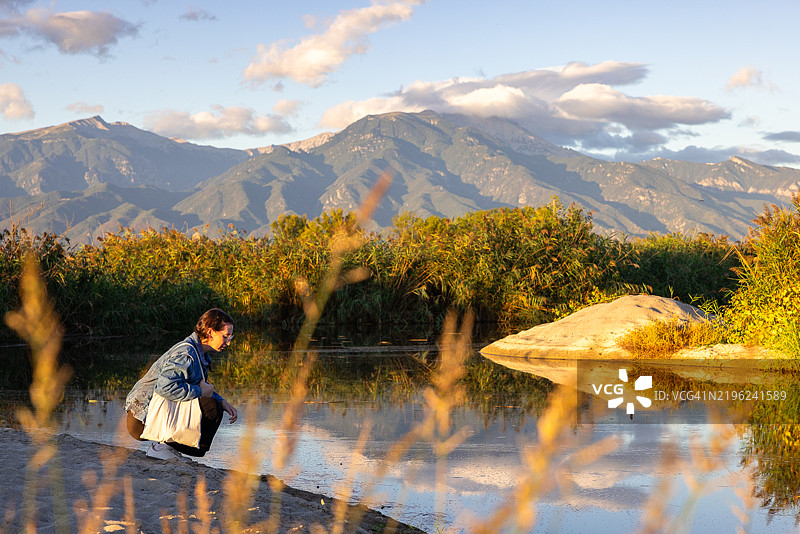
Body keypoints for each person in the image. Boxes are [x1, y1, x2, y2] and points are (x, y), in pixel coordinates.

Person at [125, 308, 239, 459]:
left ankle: (166, 445)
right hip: (140, 420)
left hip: (148, 417)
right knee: (210, 407)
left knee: (214, 405)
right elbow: (165, 387)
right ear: (211, 332)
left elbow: (197, 385)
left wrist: (222, 401)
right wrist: (200, 392)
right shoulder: (186, 353)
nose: (228, 342)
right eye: (226, 336)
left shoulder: (199, 353)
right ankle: (162, 446)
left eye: (230, 337)